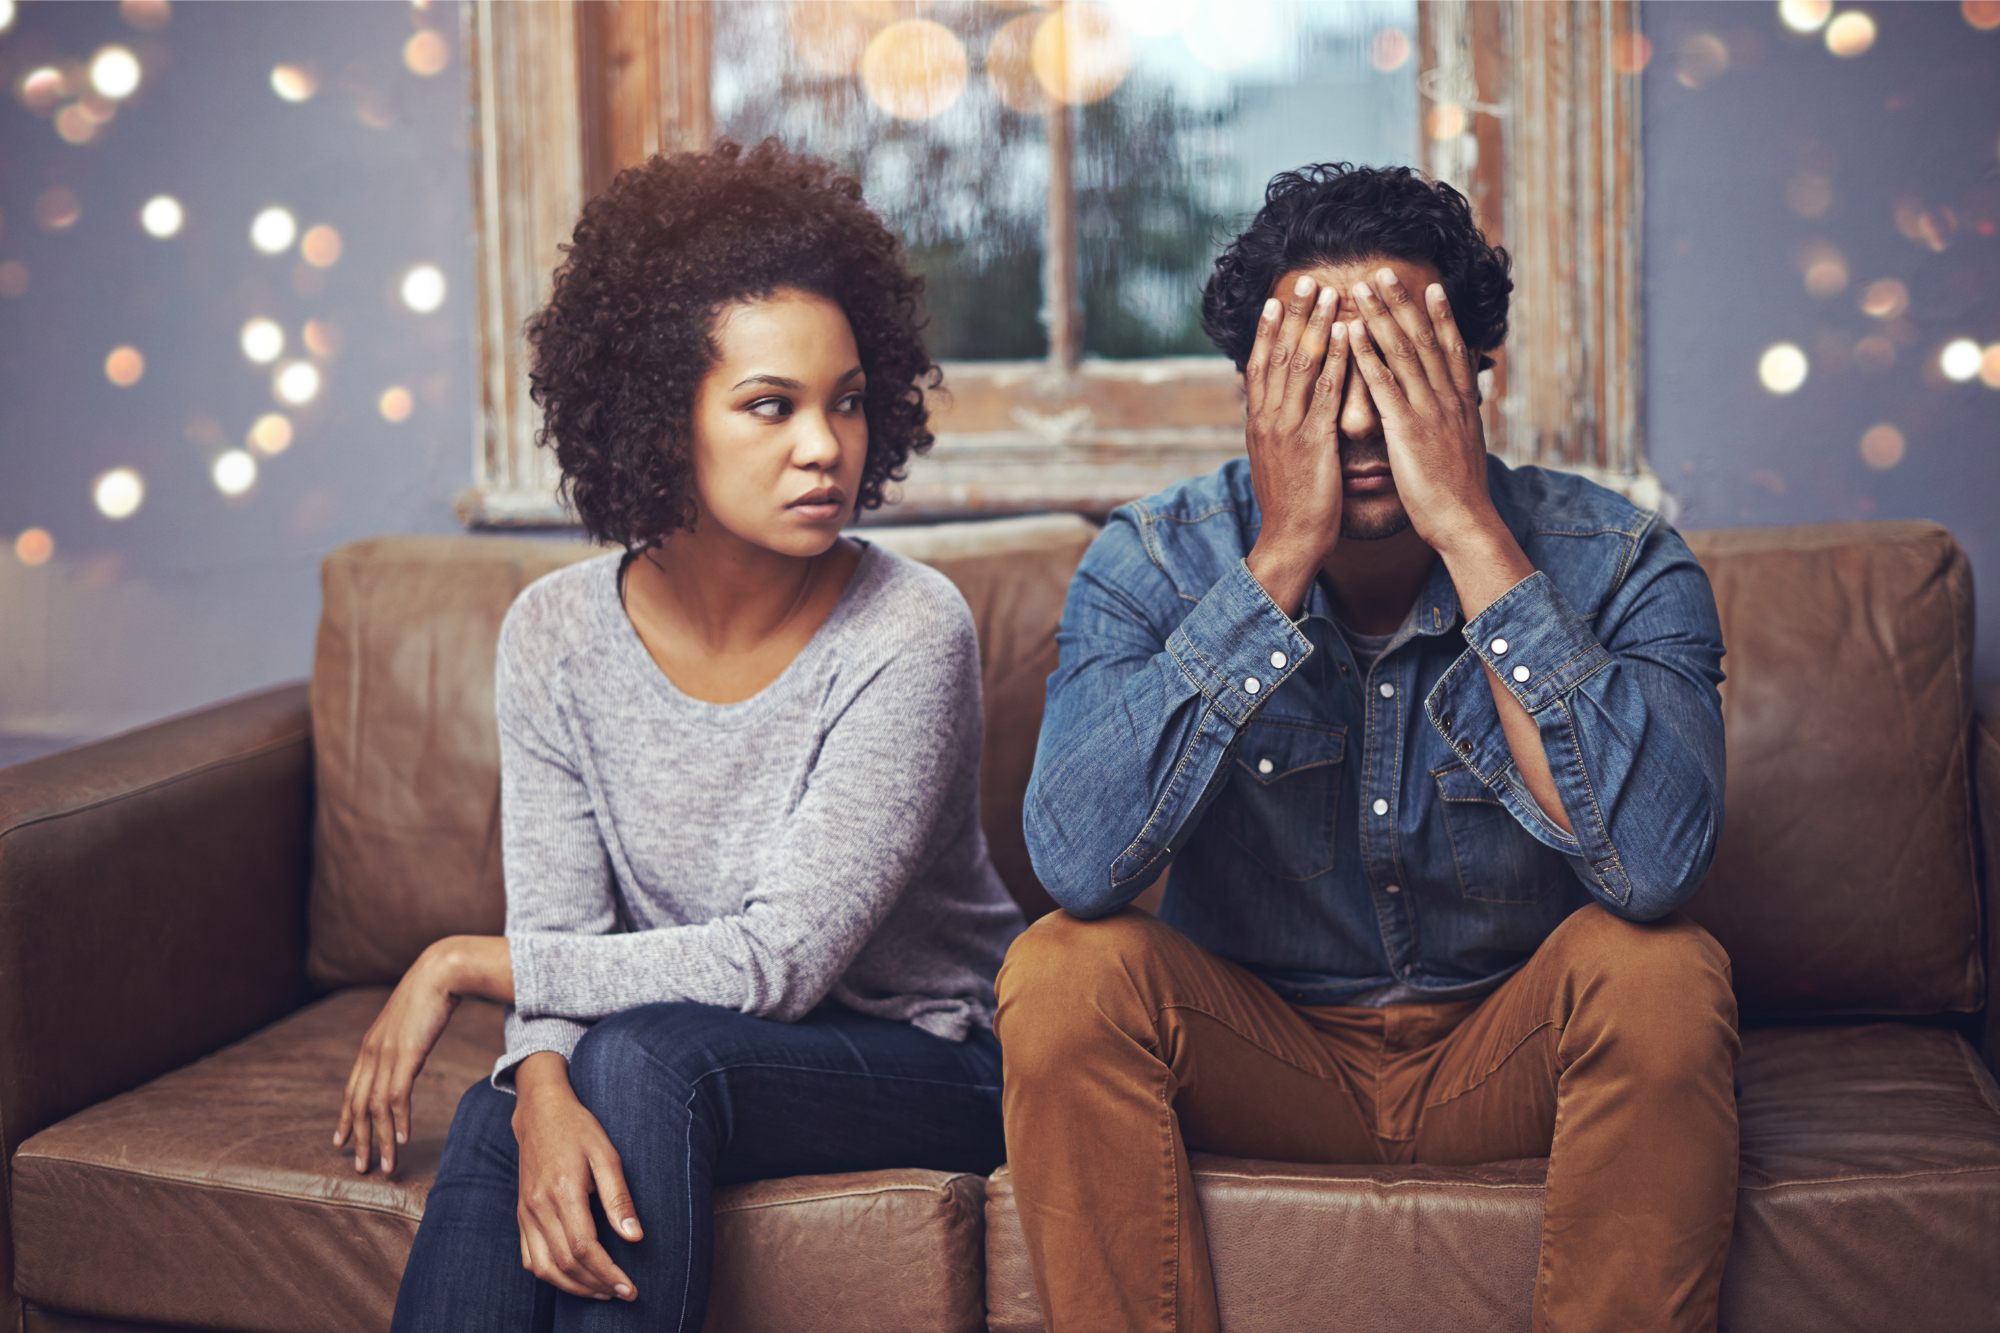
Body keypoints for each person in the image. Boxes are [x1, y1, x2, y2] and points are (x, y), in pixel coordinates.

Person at [996, 162, 1736, 1333]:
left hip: (1509, 1050)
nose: (1354, 422)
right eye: (1317, 380)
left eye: (1394, 374)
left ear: (1474, 378)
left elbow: (1649, 871)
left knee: (1661, 969)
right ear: (1252, 390)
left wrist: (1468, 533)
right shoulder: (1152, 562)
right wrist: (1281, 551)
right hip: (1260, 1052)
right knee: (1060, 969)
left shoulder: (1619, 559)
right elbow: (1078, 867)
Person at [332, 140, 1025, 1330]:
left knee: (646, 1057)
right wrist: (539, 1078)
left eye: (847, 401)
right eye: (771, 405)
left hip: (931, 1057)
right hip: (667, 1051)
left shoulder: (910, 627)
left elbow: (776, 962)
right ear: (660, 417)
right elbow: (564, 932)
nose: (825, 446)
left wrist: (460, 961)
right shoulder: (552, 632)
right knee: (515, 1106)